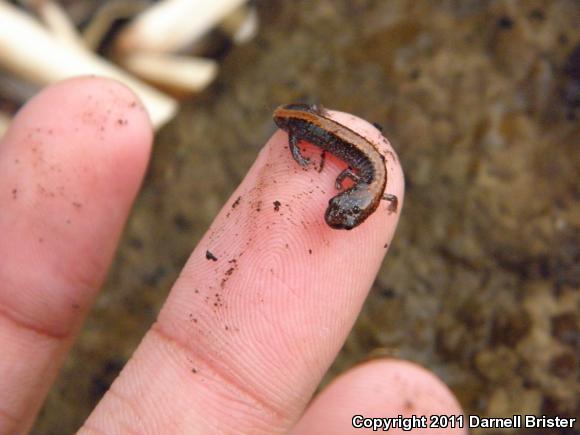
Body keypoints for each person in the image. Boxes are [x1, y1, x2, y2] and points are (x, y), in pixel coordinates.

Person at [0, 77, 465, 434]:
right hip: (305, 125)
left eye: (342, 215)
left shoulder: (375, 188)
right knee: (307, 130)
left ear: (366, 206)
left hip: (318, 130)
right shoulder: (362, 179)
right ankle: (304, 133)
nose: (334, 213)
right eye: (340, 211)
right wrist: (304, 154)